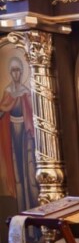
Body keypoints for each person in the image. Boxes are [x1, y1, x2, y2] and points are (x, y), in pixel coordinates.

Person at [0, 57, 36, 212]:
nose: (16, 73)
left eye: (18, 70)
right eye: (13, 70)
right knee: (17, 172)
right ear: (10, 73)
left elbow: (32, 113)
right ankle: (20, 209)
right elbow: (3, 110)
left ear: (21, 72)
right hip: (12, 136)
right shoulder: (7, 92)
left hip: (25, 135)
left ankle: (32, 205)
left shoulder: (26, 92)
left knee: (29, 170)